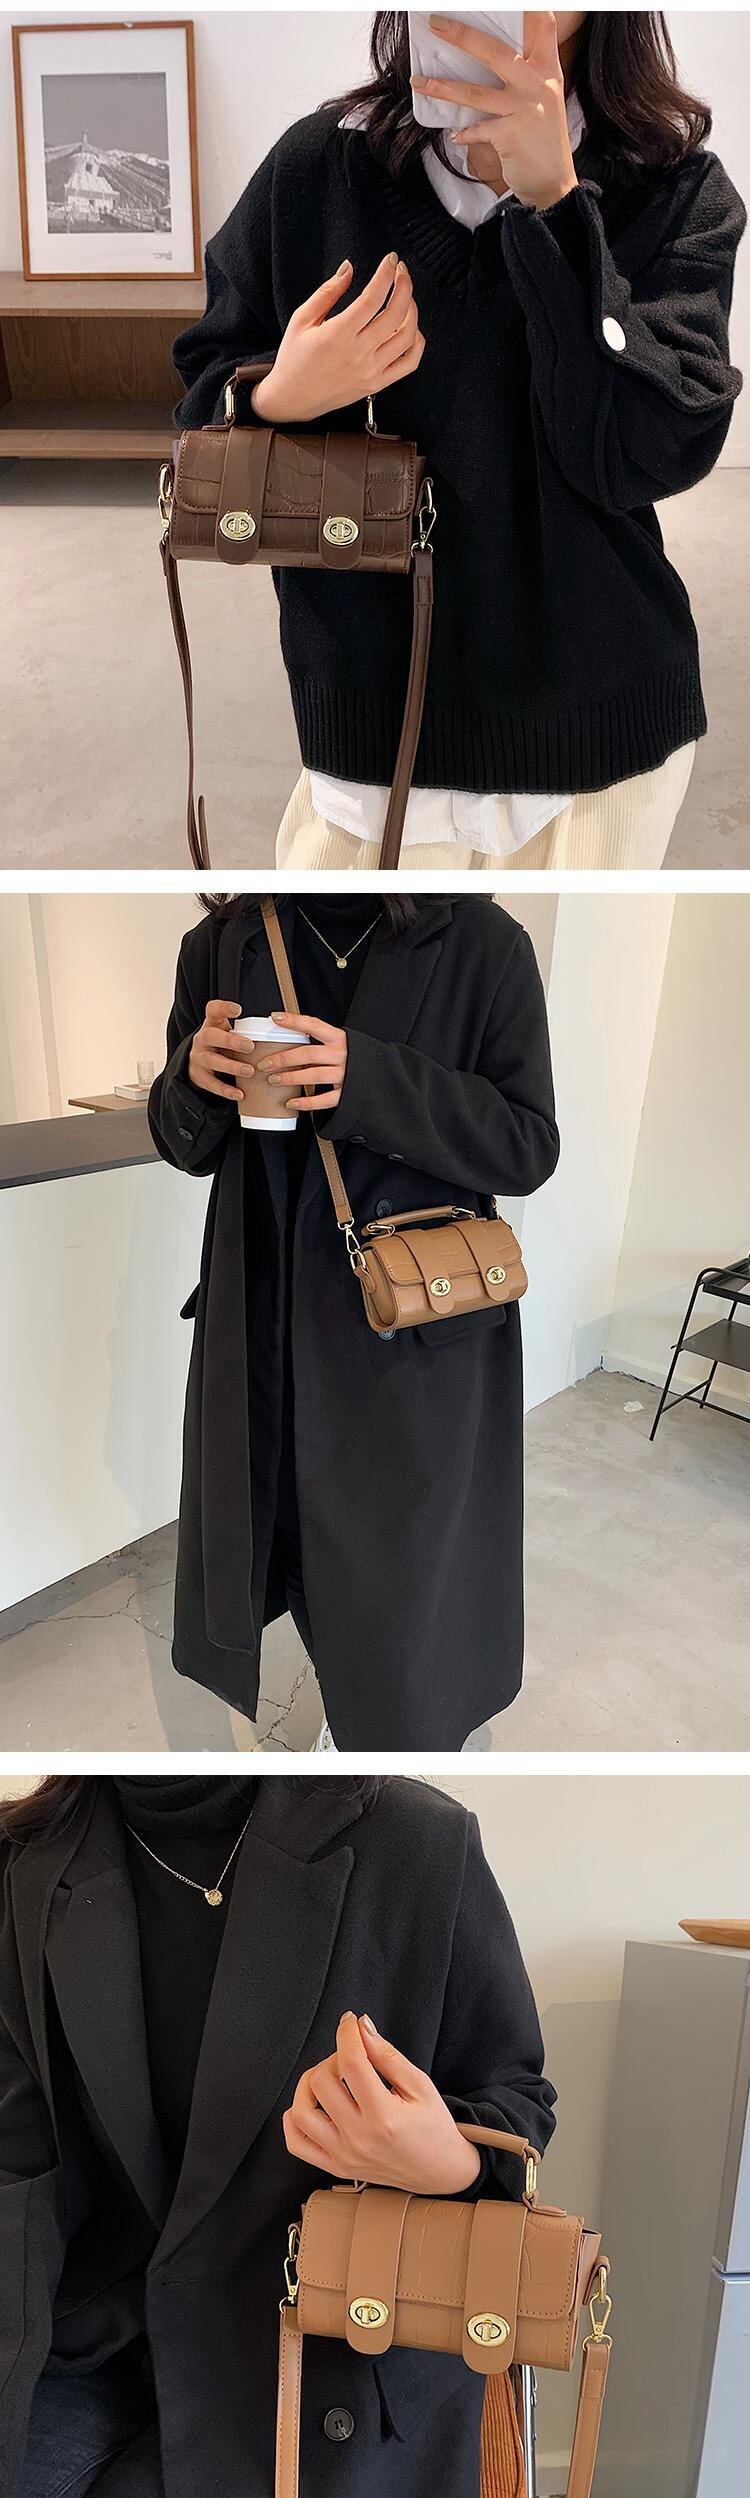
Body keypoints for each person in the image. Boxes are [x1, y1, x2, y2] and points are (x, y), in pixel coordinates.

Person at [173, 11, 745, 876]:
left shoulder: (676, 189)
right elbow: (201, 388)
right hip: (368, 742)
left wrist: (560, 211)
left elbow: (652, 453)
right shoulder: (317, 169)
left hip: (602, 746)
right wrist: (280, 394)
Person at [0, 1772, 554, 2498]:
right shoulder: (30, 1861)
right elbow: (17, 2167)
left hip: (317, 2360)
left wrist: (442, 2158)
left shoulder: (413, 1841)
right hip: (90, 2348)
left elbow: (518, 2103)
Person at [148, 893, 558, 1747]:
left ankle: (382, 1743)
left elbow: (527, 1145)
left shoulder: (483, 944)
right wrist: (191, 1080)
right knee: (279, 1542)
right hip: (260, 1330)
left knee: (400, 1596)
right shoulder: (221, 941)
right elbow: (183, 1145)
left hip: (408, 1337)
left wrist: (369, 1081)